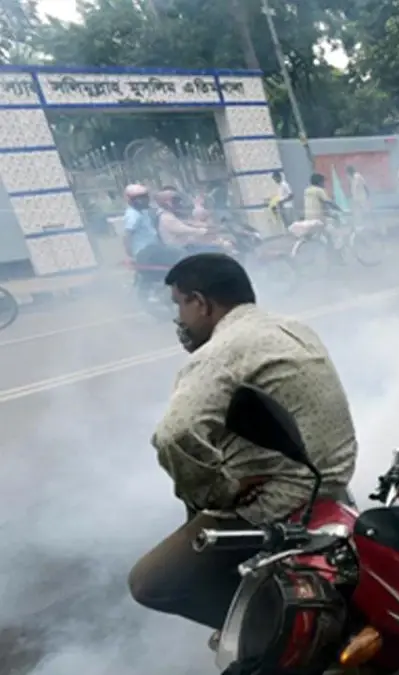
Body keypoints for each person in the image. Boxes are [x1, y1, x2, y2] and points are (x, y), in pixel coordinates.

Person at [128, 253, 358, 632]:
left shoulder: (221, 352)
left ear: (201, 303)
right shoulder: (294, 328)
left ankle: (280, 633)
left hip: (277, 502)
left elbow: (174, 436)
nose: (179, 319)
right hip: (333, 481)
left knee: (150, 583)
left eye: (180, 304)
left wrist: (221, 492)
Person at [155, 189, 215, 253]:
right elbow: (184, 229)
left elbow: (185, 223)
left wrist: (205, 226)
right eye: (175, 201)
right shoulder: (166, 217)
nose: (179, 204)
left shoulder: (168, 214)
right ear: (168, 202)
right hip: (180, 250)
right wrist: (204, 231)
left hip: (184, 246)